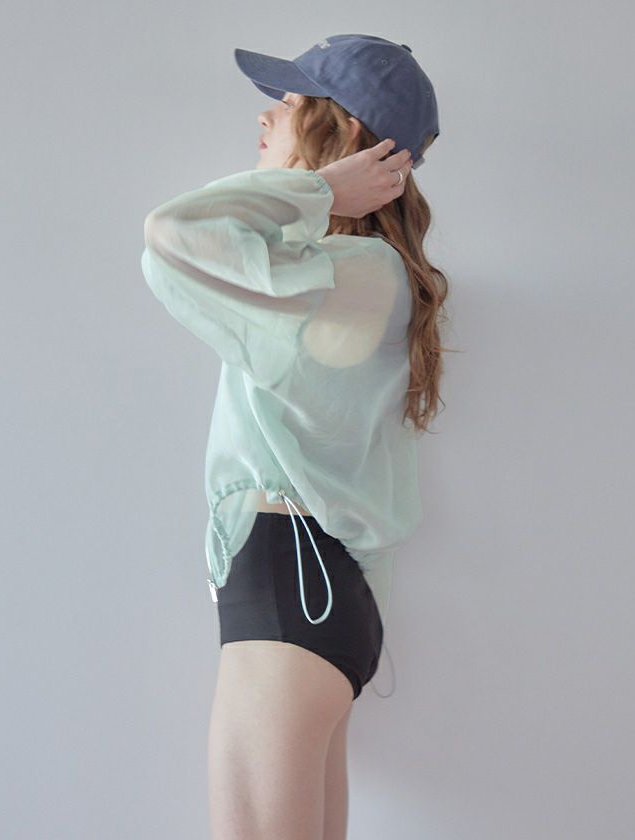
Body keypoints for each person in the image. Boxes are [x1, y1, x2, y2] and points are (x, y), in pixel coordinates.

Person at [141, 33, 448, 840]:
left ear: (344, 132)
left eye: (290, 101)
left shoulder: (347, 277)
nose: (267, 116)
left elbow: (172, 233)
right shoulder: (352, 274)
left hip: (288, 585)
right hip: (312, 593)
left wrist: (316, 190)